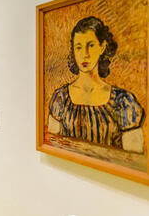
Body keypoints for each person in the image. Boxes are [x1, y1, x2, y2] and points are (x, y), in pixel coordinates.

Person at [48, 16, 145, 153]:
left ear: (102, 47)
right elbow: (53, 147)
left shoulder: (123, 102)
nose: (84, 54)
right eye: (79, 47)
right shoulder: (61, 98)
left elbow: (134, 160)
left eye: (91, 45)